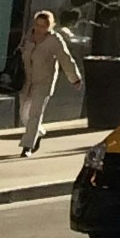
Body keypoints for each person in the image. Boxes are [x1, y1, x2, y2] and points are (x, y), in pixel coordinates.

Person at [13, 10, 83, 156]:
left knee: (35, 114)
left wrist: (75, 78)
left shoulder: (54, 40)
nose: (39, 29)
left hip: (44, 82)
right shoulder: (28, 37)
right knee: (23, 113)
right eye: (37, 25)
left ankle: (27, 146)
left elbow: (65, 58)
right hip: (27, 81)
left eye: (43, 26)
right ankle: (39, 132)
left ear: (49, 26)